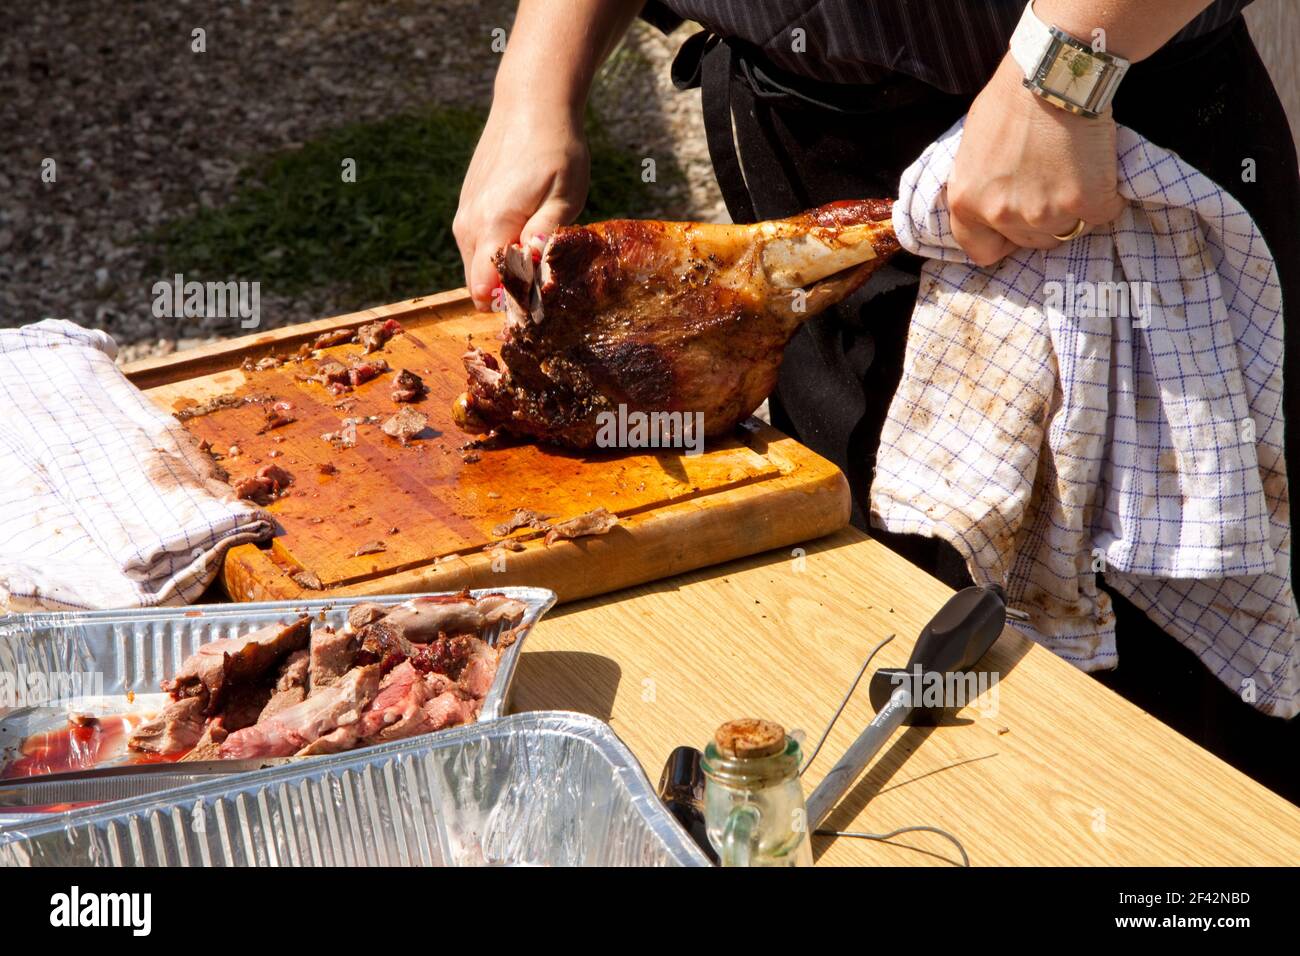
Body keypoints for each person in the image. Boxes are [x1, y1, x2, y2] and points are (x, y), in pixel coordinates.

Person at [455, 0, 1299, 803]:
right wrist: (535, 82)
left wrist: (1063, 65)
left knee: (1172, 746)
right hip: (800, 142)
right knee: (906, 667)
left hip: (1101, 146)